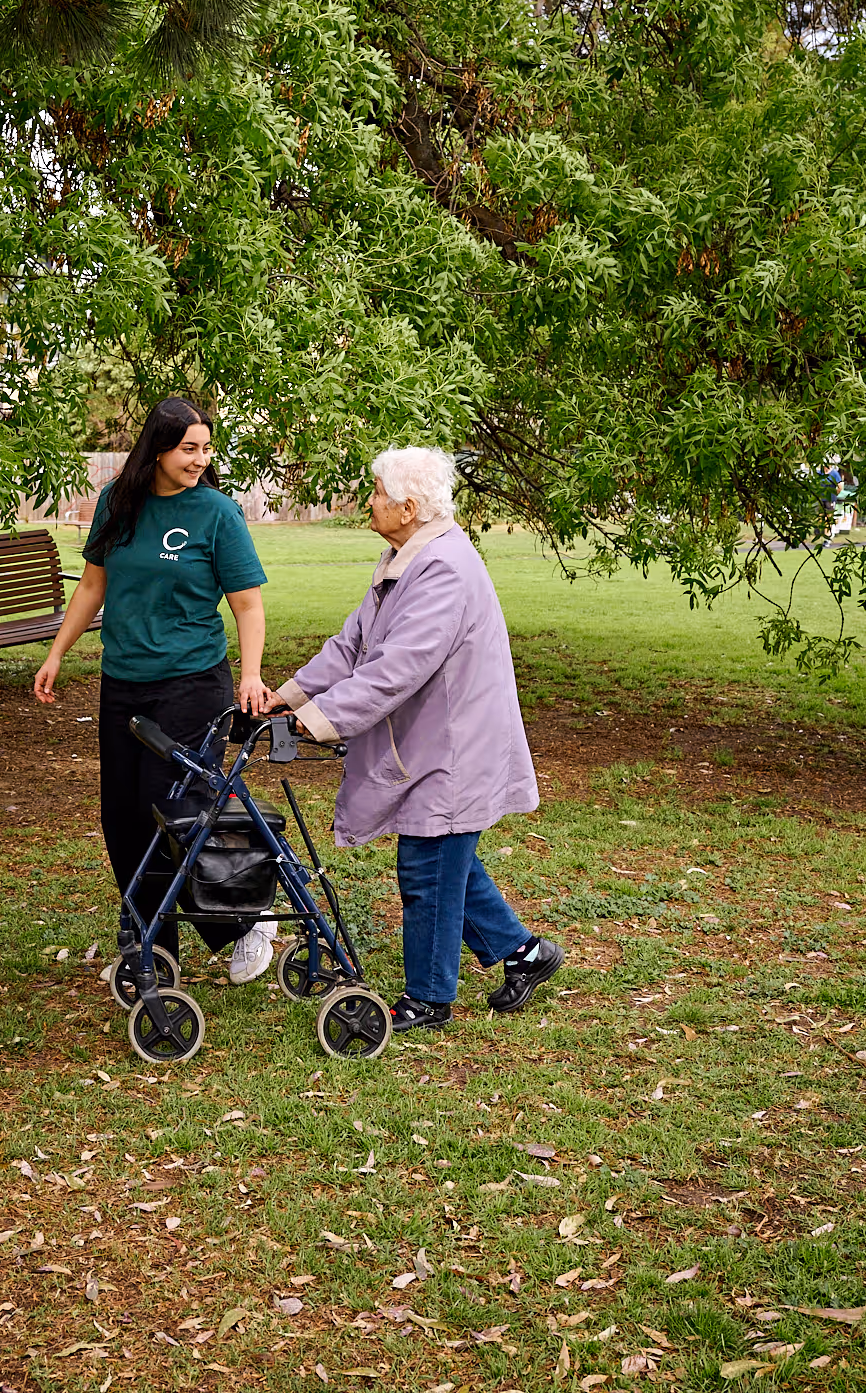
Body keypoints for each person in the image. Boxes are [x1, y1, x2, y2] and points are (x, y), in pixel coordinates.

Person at [270, 446, 563, 1032]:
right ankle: (526, 953)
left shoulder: (444, 568)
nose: (368, 501)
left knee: (429, 865)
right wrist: (293, 694)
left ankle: (428, 999)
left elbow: (398, 667)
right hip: (435, 743)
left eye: (377, 492)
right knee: (447, 859)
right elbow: (355, 643)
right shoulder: (405, 558)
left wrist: (321, 720)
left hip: (456, 748)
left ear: (408, 507)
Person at [34, 396, 278, 984]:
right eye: (188, 448)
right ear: (159, 448)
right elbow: (93, 583)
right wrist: (57, 652)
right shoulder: (119, 502)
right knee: (121, 818)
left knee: (177, 813)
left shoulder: (218, 514)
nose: (200, 459)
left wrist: (250, 674)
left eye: (205, 448)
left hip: (192, 686)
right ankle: (152, 947)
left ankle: (243, 925)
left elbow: (247, 604)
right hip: (123, 683)